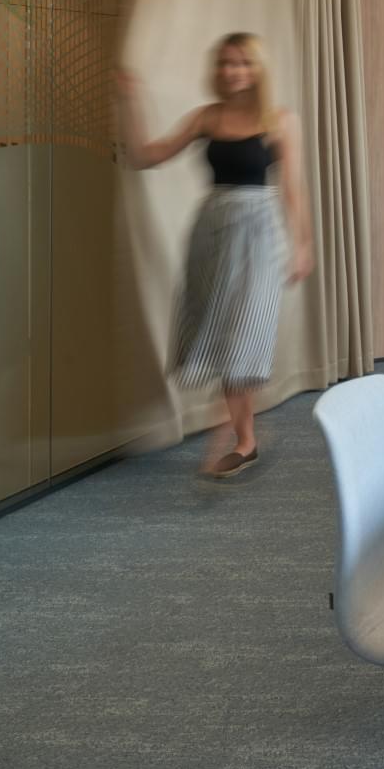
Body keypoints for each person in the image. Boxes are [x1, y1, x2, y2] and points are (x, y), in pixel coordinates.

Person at [118, 33, 313, 478]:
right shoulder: (208, 117)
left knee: (245, 334)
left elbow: (294, 190)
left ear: (257, 68)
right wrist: (130, 102)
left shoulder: (280, 120)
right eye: (226, 63)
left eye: (242, 63)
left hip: (260, 235)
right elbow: (147, 156)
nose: (233, 71)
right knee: (223, 335)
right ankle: (245, 437)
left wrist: (304, 245)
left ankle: (236, 437)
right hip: (212, 235)